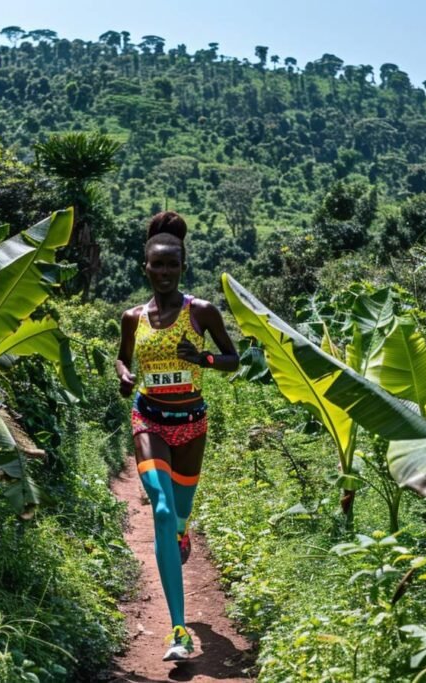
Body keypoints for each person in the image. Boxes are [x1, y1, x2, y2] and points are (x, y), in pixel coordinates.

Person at [115, 211, 239, 662]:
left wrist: (202, 359)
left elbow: (234, 359)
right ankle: (179, 631)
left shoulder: (201, 311)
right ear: (144, 267)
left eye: (172, 265)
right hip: (148, 420)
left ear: (182, 267)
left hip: (192, 425)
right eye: (156, 265)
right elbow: (122, 360)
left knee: (180, 512)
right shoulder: (133, 317)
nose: (164, 273)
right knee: (162, 510)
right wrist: (126, 377)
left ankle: (183, 532)